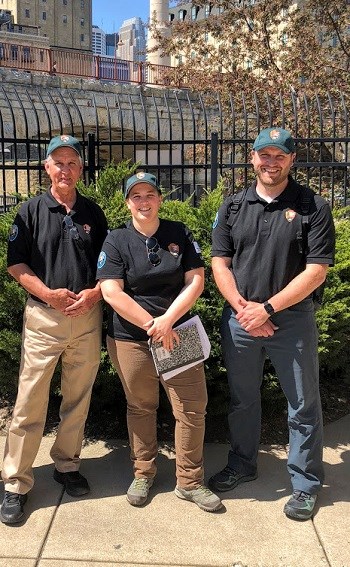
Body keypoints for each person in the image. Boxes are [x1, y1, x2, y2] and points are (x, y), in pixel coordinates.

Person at [209, 127, 335, 520]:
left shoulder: (313, 206)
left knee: (302, 405)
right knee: (242, 399)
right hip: (241, 318)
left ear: (291, 160)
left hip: (292, 321)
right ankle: (243, 465)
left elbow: (316, 271)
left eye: (280, 155)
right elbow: (219, 262)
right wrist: (245, 308)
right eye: (265, 154)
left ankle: (304, 484)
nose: (271, 162)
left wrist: (268, 309)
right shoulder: (233, 206)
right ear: (253, 157)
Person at [97, 171, 222, 513]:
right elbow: (111, 291)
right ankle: (143, 473)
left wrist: (168, 321)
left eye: (149, 194)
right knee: (140, 407)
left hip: (178, 333)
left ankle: (190, 481)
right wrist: (152, 324)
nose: (143, 201)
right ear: (127, 202)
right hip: (131, 339)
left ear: (159, 199)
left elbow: (196, 280)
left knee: (192, 408)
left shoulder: (178, 232)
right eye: (136, 196)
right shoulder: (116, 240)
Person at [0, 134, 108, 524]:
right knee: (30, 400)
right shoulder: (29, 211)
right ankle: (15, 483)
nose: (65, 169)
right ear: (47, 167)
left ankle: (66, 464)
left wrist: (94, 295)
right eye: (57, 162)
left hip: (86, 317)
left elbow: (109, 267)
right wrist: (49, 293)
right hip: (44, 318)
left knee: (78, 397)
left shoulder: (93, 213)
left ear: (81, 169)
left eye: (72, 162)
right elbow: (17, 265)